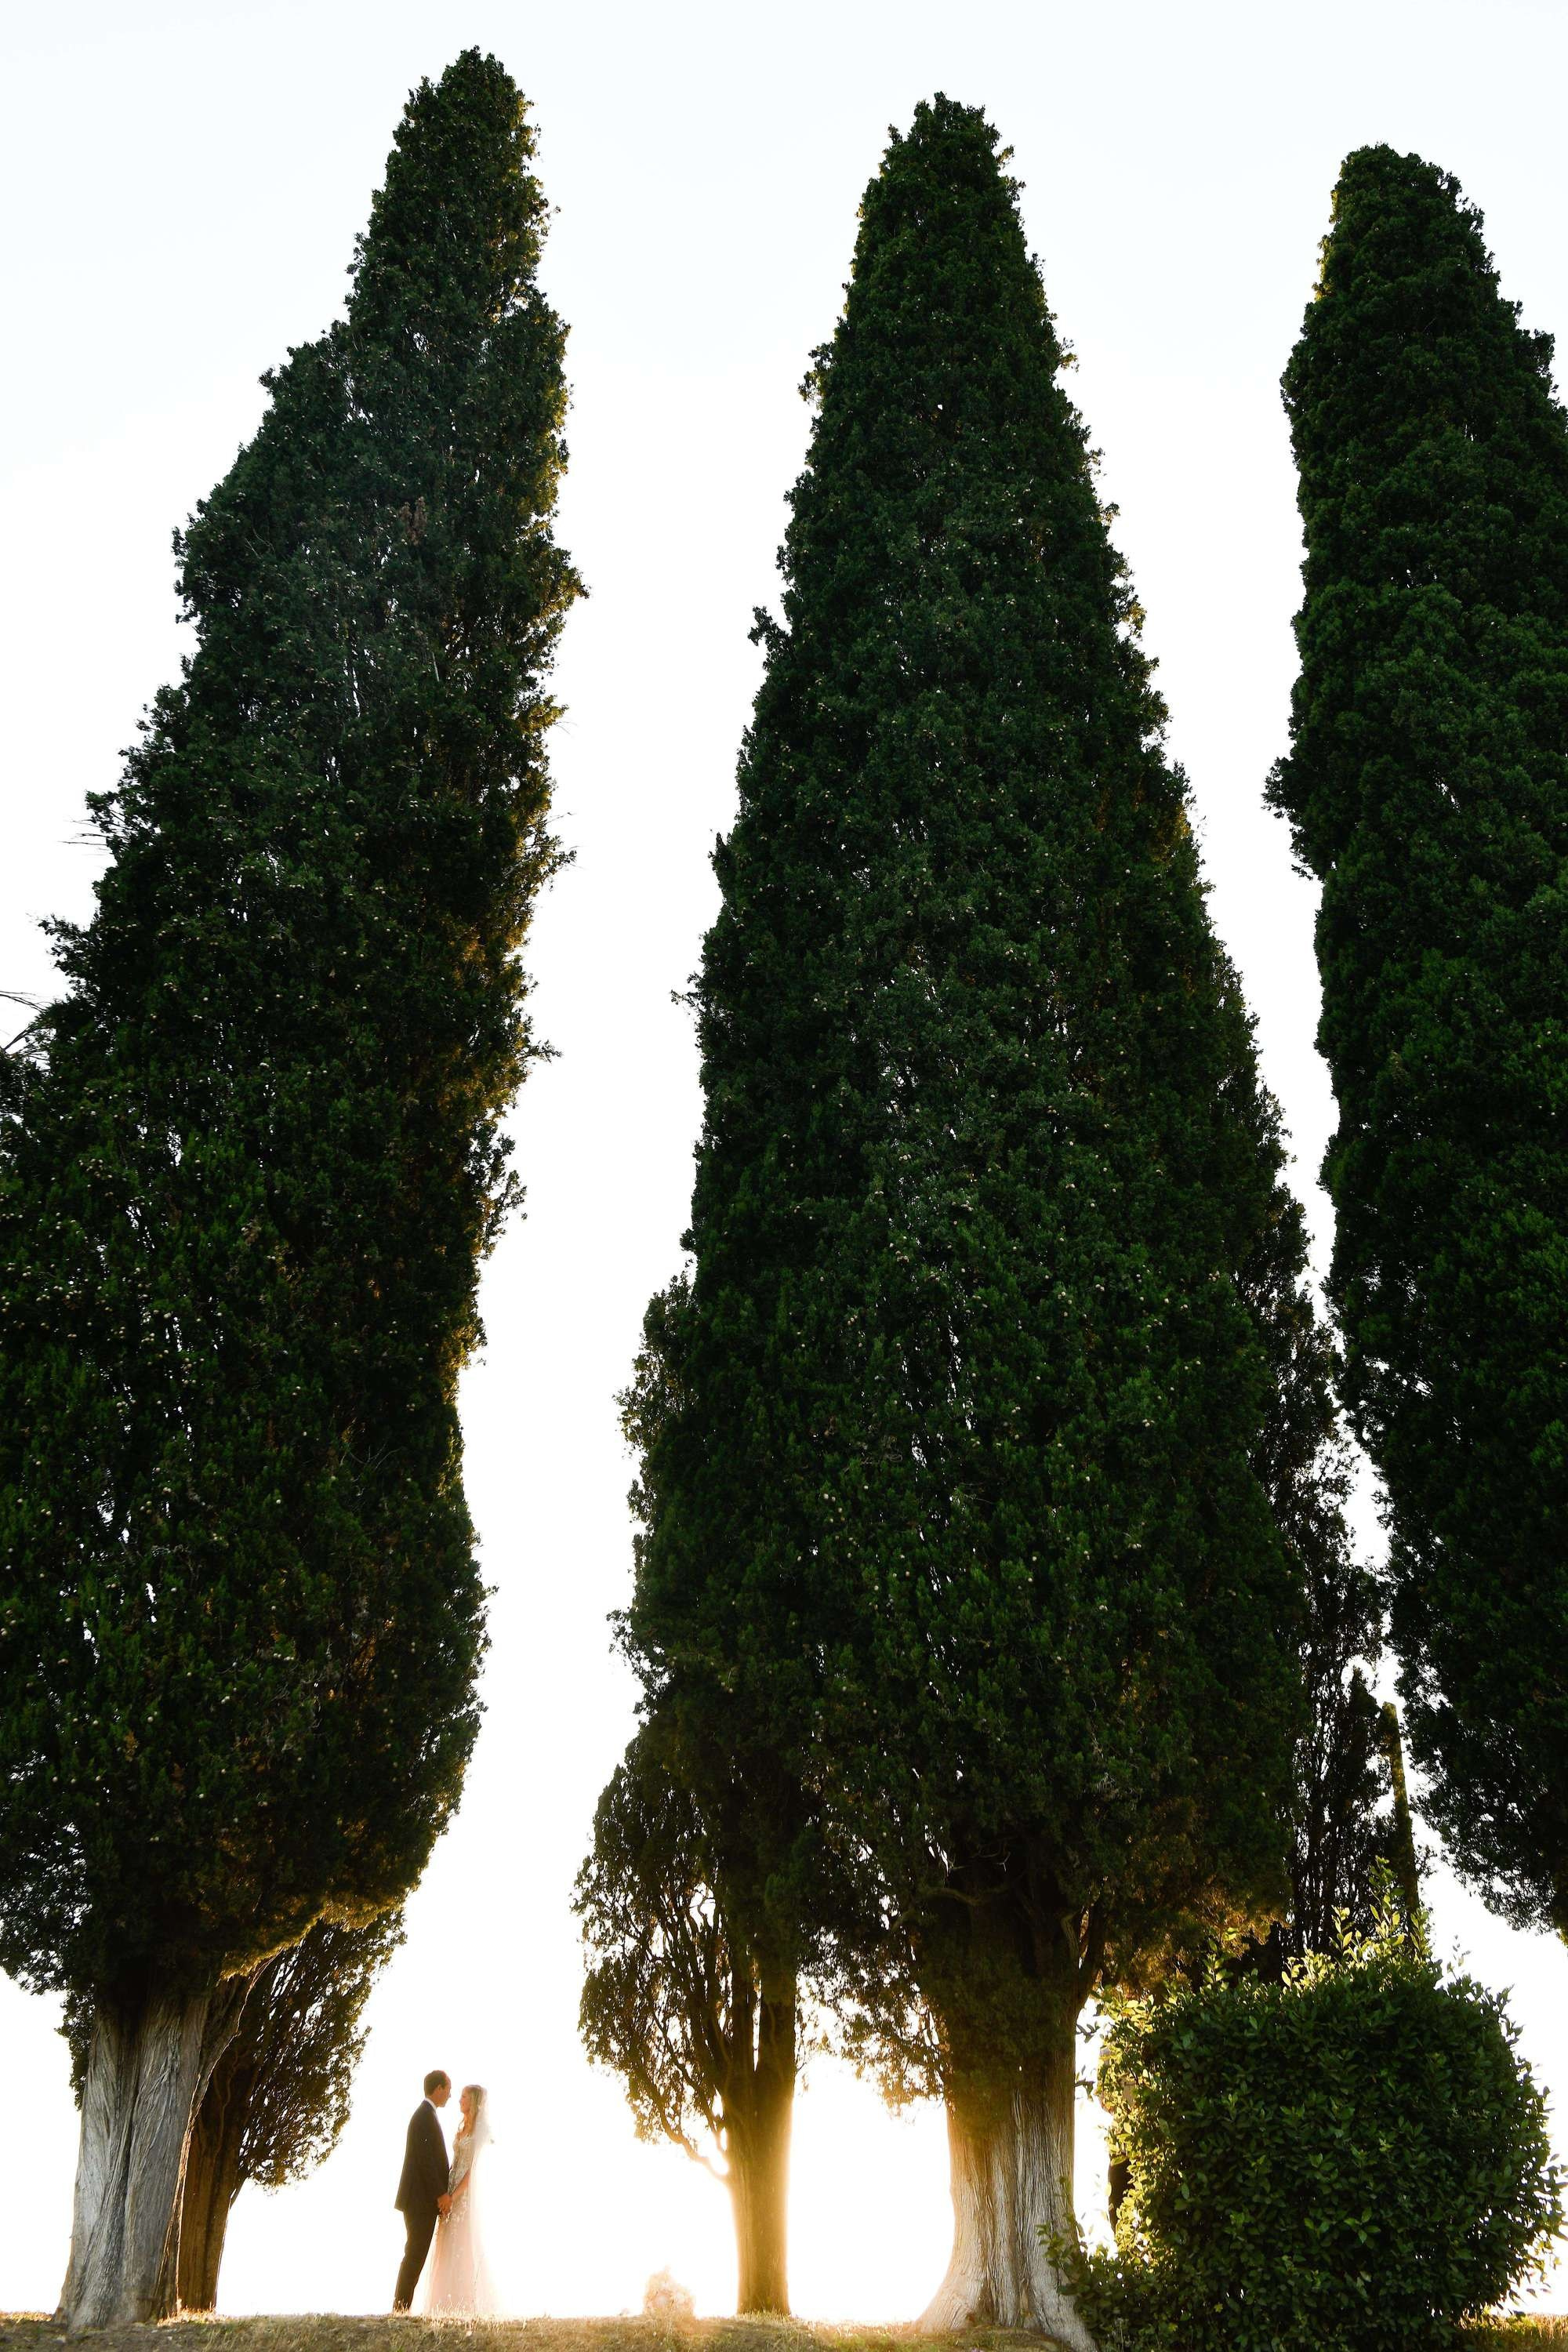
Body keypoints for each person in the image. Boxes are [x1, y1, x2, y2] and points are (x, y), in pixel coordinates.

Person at [421, 2082, 500, 2316]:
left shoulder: (479, 2131)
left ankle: (464, 2302)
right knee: (446, 2243)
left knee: (462, 2245)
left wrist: (454, 2196)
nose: (459, 2099)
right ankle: (442, 2304)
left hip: (463, 2195)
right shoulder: (462, 2127)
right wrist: (444, 2192)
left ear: (474, 2101)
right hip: (450, 2191)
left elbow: (472, 2172)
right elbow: (455, 2165)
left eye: (464, 2096)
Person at [394, 2068, 452, 2312]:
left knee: (415, 2256)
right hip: (419, 2201)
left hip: (419, 2200)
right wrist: (440, 2193)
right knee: (414, 2256)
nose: (450, 2094)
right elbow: (426, 2160)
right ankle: (400, 2308)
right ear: (438, 2089)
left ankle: (401, 2307)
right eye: (448, 2089)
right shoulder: (424, 2116)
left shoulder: (427, 2115)